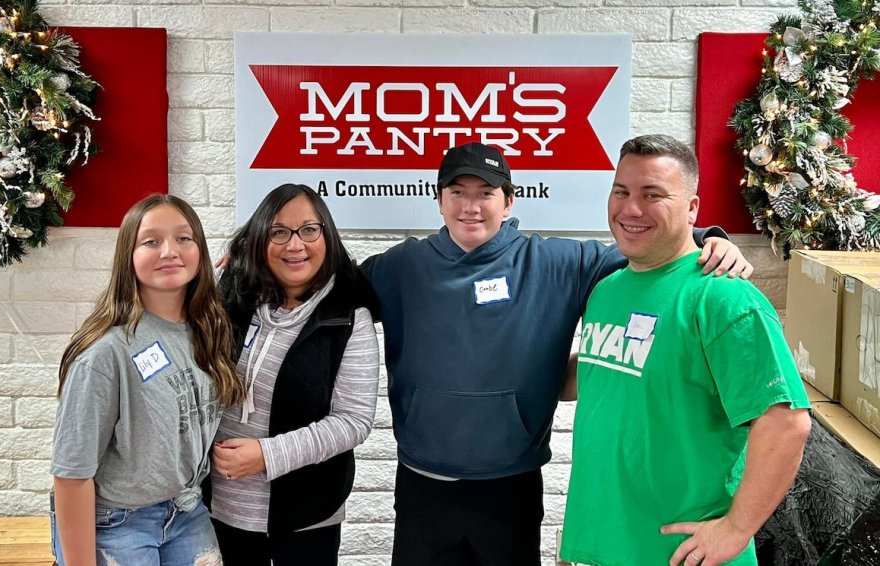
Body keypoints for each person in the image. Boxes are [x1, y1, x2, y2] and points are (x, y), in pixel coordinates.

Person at [358, 141, 756, 566]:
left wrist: (706, 238)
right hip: (422, 481)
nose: (470, 206)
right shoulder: (402, 266)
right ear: (439, 200)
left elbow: (647, 250)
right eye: (457, 192)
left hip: (511, 484)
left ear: (508, 201)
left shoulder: (554, 262)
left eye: (486, 193)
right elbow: (330, 295)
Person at [558, 134, 812, 566]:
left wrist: (735, 530)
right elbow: (606, 377)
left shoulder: (724, 300)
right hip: (598, 544)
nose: (630, 209)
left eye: (652, 194)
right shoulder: (606, 290)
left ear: (692, 209)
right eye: (621, 191)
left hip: (681, 555)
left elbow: (786, 423)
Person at [50, 194, 244, 566]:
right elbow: (71, 475)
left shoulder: (206, 329)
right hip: (117, 522)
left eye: (184, 238)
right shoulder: (106, 354)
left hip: (187, 510)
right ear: (129, 256)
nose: (170, 250)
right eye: (151, 241)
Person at [205, 183, 379, 566]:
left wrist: (267, 455)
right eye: (278, 232)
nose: (295, 245)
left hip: (307, 515)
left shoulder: (348, 319)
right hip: (222, 508)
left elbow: (353, 421)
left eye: (308, 230)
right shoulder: (233, 300)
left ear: (327, 236)